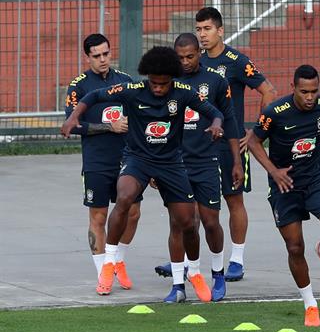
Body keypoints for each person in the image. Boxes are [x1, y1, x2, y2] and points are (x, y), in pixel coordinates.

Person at [61, 46, 226, 303]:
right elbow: (93, 97)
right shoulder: (132, 90)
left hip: (171, 162)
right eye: (154, 83)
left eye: (163, 84)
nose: (158, 88)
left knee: (188, 223)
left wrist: (216, 126)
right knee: (124, 196)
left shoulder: (183, 94)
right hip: (137, 158)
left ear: (172, 79)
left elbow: (215, 112)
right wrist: (73, 117)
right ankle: (110, 262)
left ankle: (193, 272)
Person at [247, 65, 320, 327]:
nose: (310, 97)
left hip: (315, 178)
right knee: (294, 246)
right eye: (304, 92)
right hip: (285, 184)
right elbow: (254, 142)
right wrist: (274, 172)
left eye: (314, 91)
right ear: (293, 88)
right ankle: (310, 304)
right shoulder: (274, 113)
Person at [154, 33, 243, 301]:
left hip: (206, 162)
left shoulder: (215, 81)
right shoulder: (167, 83)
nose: (185, 62)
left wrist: (236, 160)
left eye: (190, 56)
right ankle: (179, 285)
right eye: (180, 57)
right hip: (174, 164)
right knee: (180, 222)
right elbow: (156, 123)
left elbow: (229, 119)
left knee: (210, 222)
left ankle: (217, 274)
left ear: (199, 54)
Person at [195, 6, 278, 281]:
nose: (202, 35)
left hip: (230, 143)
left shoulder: (237, 61)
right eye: (199, 29)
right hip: (198, 145)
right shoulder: (194, 62)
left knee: (233, 200)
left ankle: (236, 260)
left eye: (207, 29)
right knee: (194, 204)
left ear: (220, 30)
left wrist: (254, 133)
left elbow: (269, 91)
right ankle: (186, 261)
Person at [65, 33, 141, 290]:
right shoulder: (79, 86)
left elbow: (139, 122)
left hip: (128, 160)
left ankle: (117, 260)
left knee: (133, 213)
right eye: (96, 56)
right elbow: (72, 126)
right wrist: (109, 126)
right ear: (87, 58)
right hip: (97, 161)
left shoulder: (126, 82)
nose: (102, 60)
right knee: (98, 217)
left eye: (106, 54)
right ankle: (103, 273)